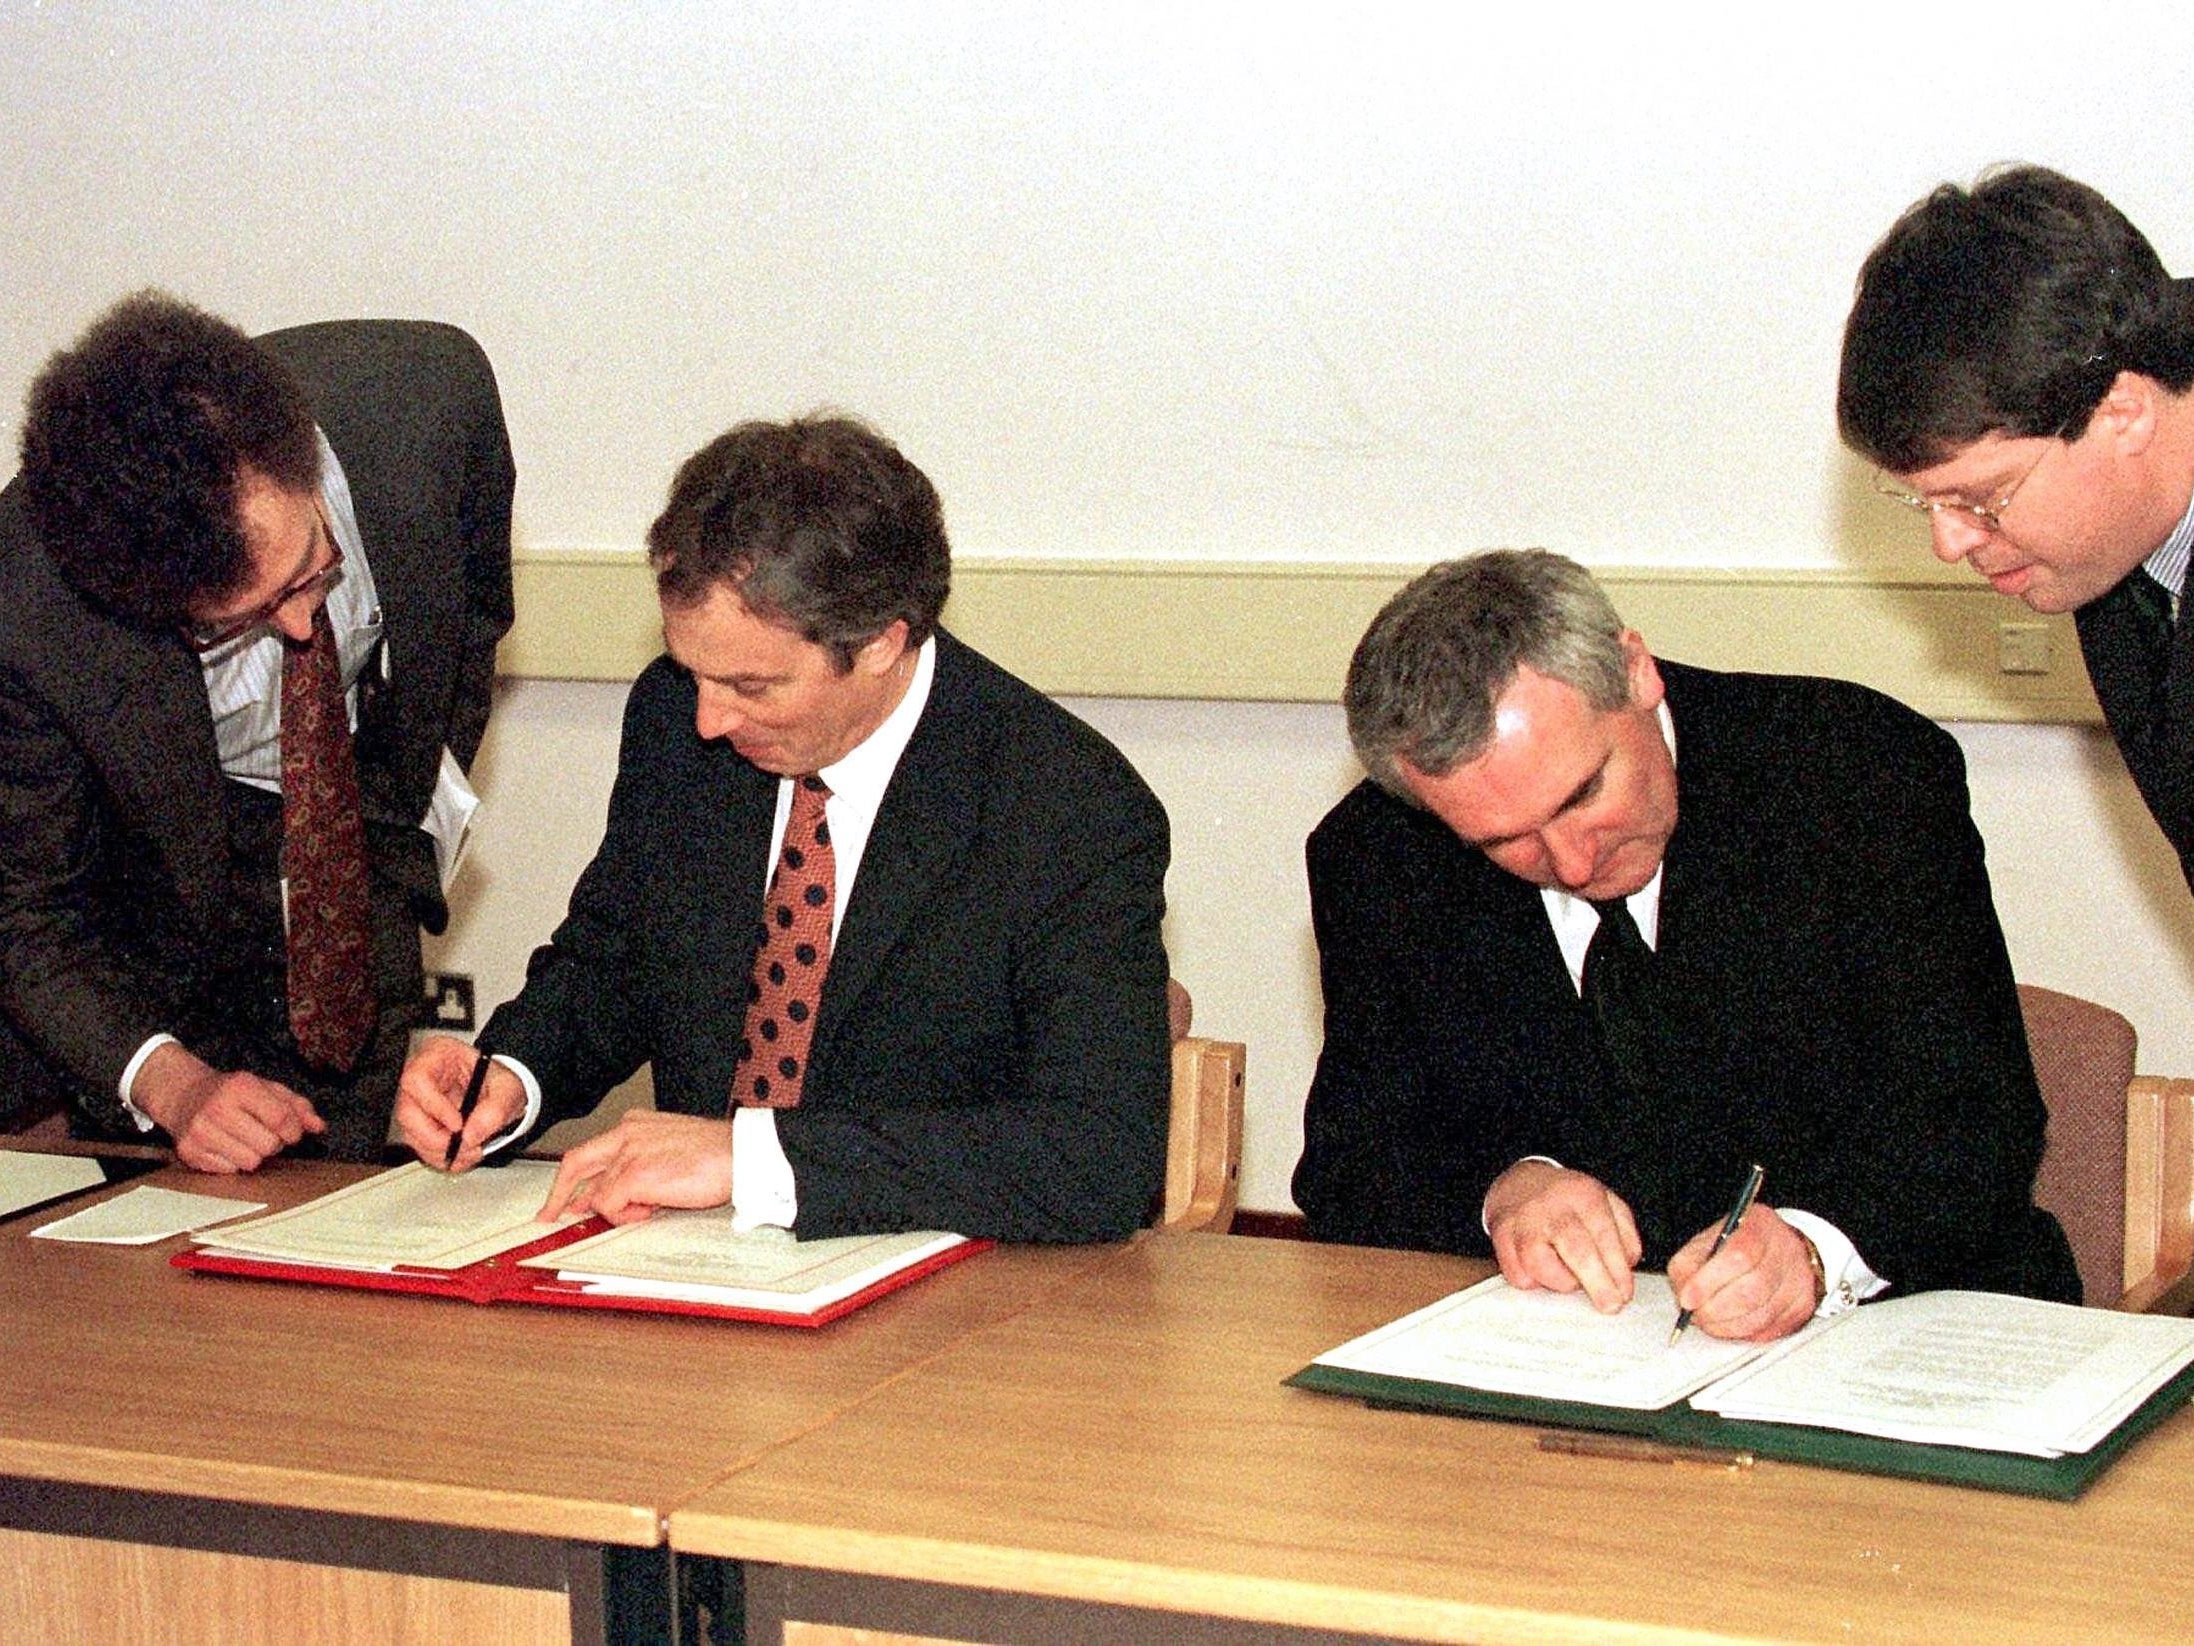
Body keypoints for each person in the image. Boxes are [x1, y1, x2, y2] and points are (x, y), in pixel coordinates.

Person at [396, 414, 1170, 1243]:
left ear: (881, 642)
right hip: (686, 1269)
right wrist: (513, 1075)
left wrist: (754, 1160)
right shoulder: (673, 717)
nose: (707, 717)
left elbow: (1099, 1158)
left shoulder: (1065, 805)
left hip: (947, 1302)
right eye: (692, 671)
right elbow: (619, 958)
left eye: (751, 686)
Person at [1293, 550, 2077, 1341]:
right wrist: (1510, 1190)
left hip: (1910, 1327)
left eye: (1582, 794)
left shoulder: (1856, 773)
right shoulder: (1379, 855)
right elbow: (1351, 1164)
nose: (1571, 863)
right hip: (1584, 1359)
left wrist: (1812, 1249)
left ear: (1636, 673)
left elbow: (1978, 1122)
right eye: (1503, 842)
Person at [0, 292, 514, 1167]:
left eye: (308, 570)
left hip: (349, 831)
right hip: (146, 899)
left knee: (340, 1203)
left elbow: (470, 629)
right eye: (241, 618)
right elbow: (28, 906)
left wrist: (381, 841)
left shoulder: (431, 404)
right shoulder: (32, 594)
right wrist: (173, 1083)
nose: (303, 628)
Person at [1840, 164, 2194, 890]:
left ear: (2123, 413)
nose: (1951, 543)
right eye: (1928, 504)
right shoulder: (2108, 548)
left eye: (1982, 497)